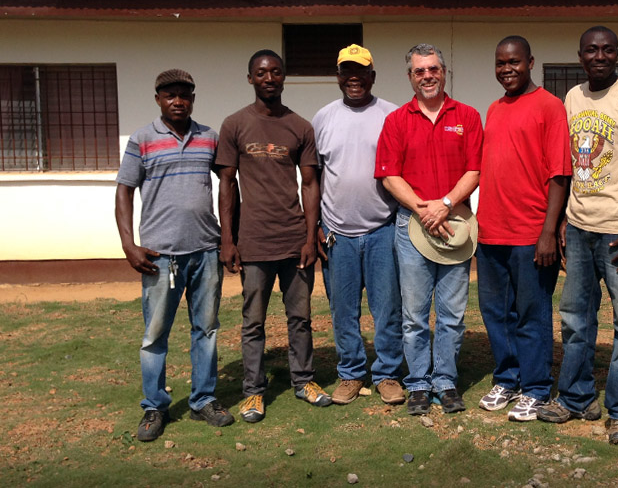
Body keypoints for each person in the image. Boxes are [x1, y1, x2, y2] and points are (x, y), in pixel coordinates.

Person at [537, 26, 618, 444]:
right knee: (575, 319)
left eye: (607, 50)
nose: (600, 56)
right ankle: (576, 397)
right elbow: (568, 164)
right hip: (578, 228)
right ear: (580, 56)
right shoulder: (572, 98)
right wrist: (559, 224)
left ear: (617, 54)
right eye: (592, 50)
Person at [115, 69, 234, 442]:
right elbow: (123, 192)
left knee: (207, 330)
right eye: (170, 95)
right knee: (155, 335)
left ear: (193, 99)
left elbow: (228, 185)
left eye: (184, 95)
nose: (178, 101)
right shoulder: (142, 139)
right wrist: (128, 245)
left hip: (205, 252)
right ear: (158, 100)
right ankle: (154, 406)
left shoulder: (208, 137)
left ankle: (203, 399)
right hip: (159, 256)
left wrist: (228, 239)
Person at [216, 49, 331, 424]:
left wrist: (310, 235)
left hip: (293, 239)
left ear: (284, 78)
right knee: (253, 321)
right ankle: (253, 392)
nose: (269, 78)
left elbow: (310, 184)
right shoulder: (234, 125)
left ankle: (304, 380)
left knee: (300, 317)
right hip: (253, 242)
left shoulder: (300, 127)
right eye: (262, 73)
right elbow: (227, 185)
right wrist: (228, 240)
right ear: (250, 78)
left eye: (276, 72)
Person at [375, 43, 484, 415]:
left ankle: (446, 380)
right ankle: (419, 382)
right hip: (412, 225)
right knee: (415, 314)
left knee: (452, 312)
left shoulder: (466, 116)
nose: (427, 76)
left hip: (455, 223)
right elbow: (390, 175)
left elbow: (475, 170)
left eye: (433, 68)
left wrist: (445, 204)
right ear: (410, 76)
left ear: (443, 71)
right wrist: (423, 209)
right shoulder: (396, 121)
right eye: (420, 70)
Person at [475, 36, 572, 421]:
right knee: (496, 312)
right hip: (492, 231)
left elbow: (560, 175)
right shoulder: (495, 108)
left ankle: (536, 388)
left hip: (531, 232)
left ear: (530, 62)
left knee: (531, 313)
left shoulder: (550, 107)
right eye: (500, 63)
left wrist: (548, 231)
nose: (506, 69)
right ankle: (508, 378)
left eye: (513, 62)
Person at [312, 44, 405, 406]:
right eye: (346, 71)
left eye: (361, 71)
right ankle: (350, 373)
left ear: (373, 76)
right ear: (338, 76)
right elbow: (315, 176)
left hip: (382, 229)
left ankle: (387, 374)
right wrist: (317, 224)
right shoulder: (323, 118)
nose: (354, 77)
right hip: (337, 233)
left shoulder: (391, 115)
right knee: (343, 310)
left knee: (387, 309)